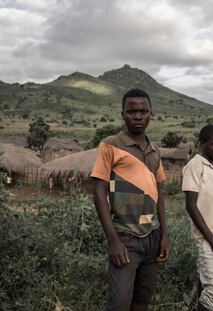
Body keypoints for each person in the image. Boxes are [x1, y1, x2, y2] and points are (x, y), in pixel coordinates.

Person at [91, 88, 169, 311]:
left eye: (143, 111)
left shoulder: (154, 150)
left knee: (142, 300)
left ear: (151, 113)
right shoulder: (110, 145)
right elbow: (98, 191)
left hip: (152, 237)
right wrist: (113, 240)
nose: (137, 116)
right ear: (122, 114)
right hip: (125, 237)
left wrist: (164, 235)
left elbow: (159, 194)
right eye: (131, 111)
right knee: (119, 304)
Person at [182, 125, 213, 311]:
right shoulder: (195, 166)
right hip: (208, 238)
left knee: (206, 286)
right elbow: (190, 206)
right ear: (203, 144)